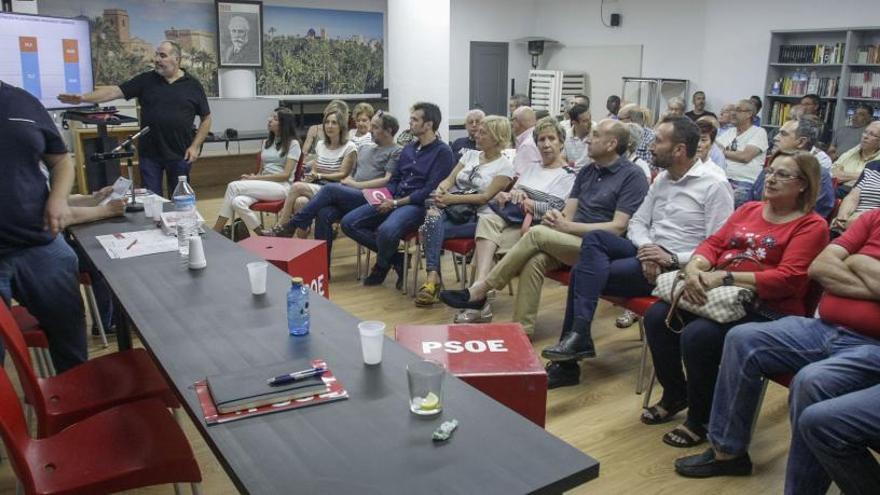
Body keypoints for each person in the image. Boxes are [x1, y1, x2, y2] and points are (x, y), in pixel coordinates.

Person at [672, 209, 880, 495]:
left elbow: (797, 275)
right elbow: (820, 268)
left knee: (811, 380)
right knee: (743, 338)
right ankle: (728, 453)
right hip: (825, 327)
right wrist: (871, 281)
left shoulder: (814, 223)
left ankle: (802, 490)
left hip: (872, 345)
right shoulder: (873, 219)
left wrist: (856, 261)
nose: (771, 179)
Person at [642, 150, 829, 448]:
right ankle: (677, 393)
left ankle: (700, 418)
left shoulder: (811, 225)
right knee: (657, 318)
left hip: (768, 308)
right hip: (717, 293)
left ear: (803, 185)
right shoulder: (750, 209)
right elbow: (713, 243)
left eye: (783, 175)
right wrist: (695, 270)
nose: (772, 179)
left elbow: (789, 279)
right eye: (771, 171)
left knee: (699, 335)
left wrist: (726, 277)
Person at [541, 117, 734, 388]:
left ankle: (571, 356)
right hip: (646, 252)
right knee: (595, 239)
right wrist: (646, 250)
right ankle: (577, 341)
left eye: (658, 141)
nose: (650, 147)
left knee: (581, 275)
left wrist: (669, 258)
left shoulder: (714, 185)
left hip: (677, 265)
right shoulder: (663, 180)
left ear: (679, 150)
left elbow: (717, 247)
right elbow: (638, 222)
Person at [439, 119, 649, 336]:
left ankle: (481, 290)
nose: (588, 139)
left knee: (537, 233)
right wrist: (555, 216)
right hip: (570, 238)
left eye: (595, 136)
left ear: (611, 144)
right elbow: (567, 212)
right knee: (534, 260)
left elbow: (617, 228)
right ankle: (521, 331)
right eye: (542, 139)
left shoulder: (633, 175)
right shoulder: (587, 172)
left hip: (602, 249)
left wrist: (565, 225)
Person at [452, 118, 578, 324]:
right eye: (541, 140)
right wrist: (507, 195)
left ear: (561, 142)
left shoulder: (569, 175)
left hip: (538, 228)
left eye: (551, 139)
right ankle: (479, 293)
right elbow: (516, 192)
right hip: (512, 219)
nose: (546, 144)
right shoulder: (532, 168)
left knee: (485, 243)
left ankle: (478, 300)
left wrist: (528, 202)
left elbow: (558, 211)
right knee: (487, 220)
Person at [1, 80, 86, 373]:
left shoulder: (23, 103)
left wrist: (59, 198)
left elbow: (61, 162)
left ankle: (77, 411)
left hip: (39, 244)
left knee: (70, 341)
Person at [58, 41, 211, 198]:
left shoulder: (193, 85)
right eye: (156, 55)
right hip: (150, 155)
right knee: (151, 200)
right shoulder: (145, 80)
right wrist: (83, 98)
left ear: (177, 59)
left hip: (180, 153)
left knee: (181, 200)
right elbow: (113, 92)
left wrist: (195, 146)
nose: (157, 59)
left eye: (162, 55)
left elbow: (206, 118)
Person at [341, 102, 455, 286]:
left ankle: (381, 266)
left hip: (416, 206)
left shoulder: (443, 152)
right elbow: (395, 180)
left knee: (386, 231)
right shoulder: (409, 148)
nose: (410, 122)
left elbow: (428, 191)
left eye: (415, 119)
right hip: (394, 198)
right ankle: (396, 259)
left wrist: (395, 204)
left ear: (428, 125)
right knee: (349, 223)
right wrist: (384, 197)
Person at [265, 112, 401, 265]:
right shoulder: (365, 148)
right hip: (352, 194)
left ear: (389, 130)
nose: (369, 131)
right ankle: (321, 266)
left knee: (330, 189)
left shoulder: (396, 151)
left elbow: (387, 180)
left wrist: (355, 185)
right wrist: (348, 181)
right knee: (324, 213)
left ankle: (291, 224)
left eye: (375, 127)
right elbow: (352, 173)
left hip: (371, 198)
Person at [414, 116, 515, 306]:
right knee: (432, 219)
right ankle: (433, 277)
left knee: (430, 227)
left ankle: (432, 282)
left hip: (478, 217)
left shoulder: (505, 167)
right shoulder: (469, 155)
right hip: (453, 210)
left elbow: (485, 197)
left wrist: (452, 198)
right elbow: (450, 179)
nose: (476, 133)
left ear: (496, 138)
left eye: (483, 132)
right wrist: (441, 190)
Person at [212, 108, 302, 236]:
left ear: (284, 124)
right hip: (266, 185)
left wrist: (254, 180)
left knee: (233, 186)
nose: (270, 120)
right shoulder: (266, 142)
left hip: (282, 187)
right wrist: (253, 177)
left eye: (275, 119)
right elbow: (262, 171)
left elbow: (285, 175)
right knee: (237, 202)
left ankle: (216, 231)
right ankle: (262, 234)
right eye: (271, 117)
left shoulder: (293, 144)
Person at [275, 103, 358, 226]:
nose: (329, 126)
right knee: (300, 202)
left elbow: (342, 174)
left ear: (341, 126)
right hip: (318, 186)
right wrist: (311, 177)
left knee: (296, 187)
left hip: (337, 189)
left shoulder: (349, 146)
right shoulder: (321, 145)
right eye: (327, 122)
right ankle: (301, 241)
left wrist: (319, 175)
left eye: (334, 123)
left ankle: (282, 226)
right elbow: (315, 169)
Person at [748, 117, 835, 217]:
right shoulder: (771, 167)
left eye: (783, 134)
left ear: (801, 142)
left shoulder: (819, 175)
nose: (775, 137)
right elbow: (750, 202)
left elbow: (814, 214)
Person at [716, 99, 769, 207]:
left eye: (738, 110)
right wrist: (729, 153)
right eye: (734, 110)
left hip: (744, 182)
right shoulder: (730, 132)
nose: (733, 113)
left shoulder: (759, 132)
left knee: (727, 202)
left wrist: (723, 151)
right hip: (723, 179)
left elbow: (745, 156)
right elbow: (715, 149)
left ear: (749, 114)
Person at [831, 121, 880, 196]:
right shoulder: (853, 151)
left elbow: (872, 185)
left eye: (872, 135)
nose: (865, 136)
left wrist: (844, 176)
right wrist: (861, 177)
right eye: (865, 132)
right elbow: (833, 173)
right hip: (838, 191)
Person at [831, 159, 880, 233]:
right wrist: (841, 219)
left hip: (874, 227)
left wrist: (861, 219)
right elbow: (852, 197)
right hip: (851, 222)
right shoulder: (873, 166)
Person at [511, 106, 541, 175]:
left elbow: (520, 176)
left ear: (518, 122)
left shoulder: (527, 145)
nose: (511, 124)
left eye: (512, 119)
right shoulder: (535, 136)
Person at [563, 104, 592, 168]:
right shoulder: (566, 136)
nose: (590, 123)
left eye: (590, 119)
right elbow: (563, 160)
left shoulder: (596, 133)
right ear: (574, 123)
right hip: (571, 174)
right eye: (585, 121)